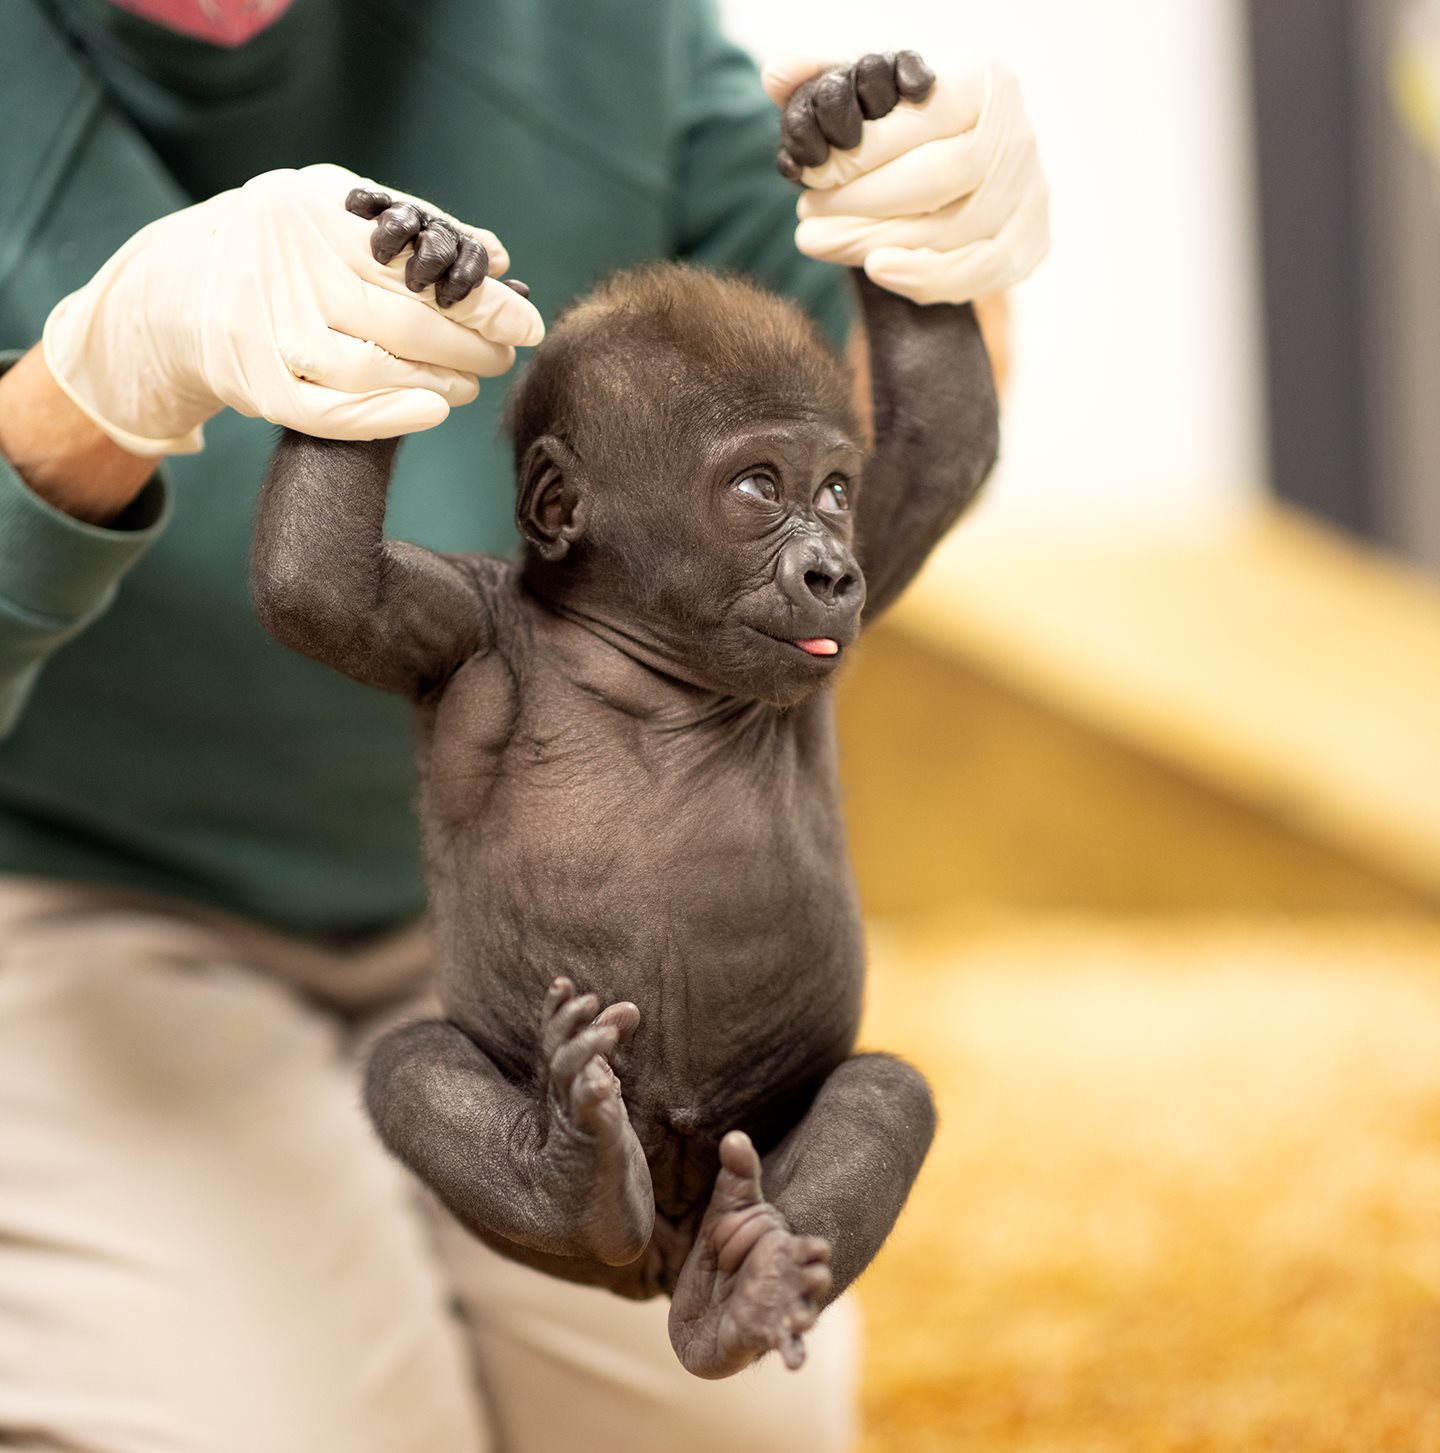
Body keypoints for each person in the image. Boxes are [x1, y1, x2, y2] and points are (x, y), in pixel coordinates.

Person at [0, 2, 1049, 1449]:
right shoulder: (500, 622)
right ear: (562, 512)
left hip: (581, 1035)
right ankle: (559, 1179)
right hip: (72, 908)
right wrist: (112, 389)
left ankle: (733, 1251)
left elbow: (921, 446)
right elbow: (318, 587)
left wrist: (933, 255)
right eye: (760, 493)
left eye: (819, 502)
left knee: (745, 1412)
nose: (827, 551)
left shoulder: (766, 633)